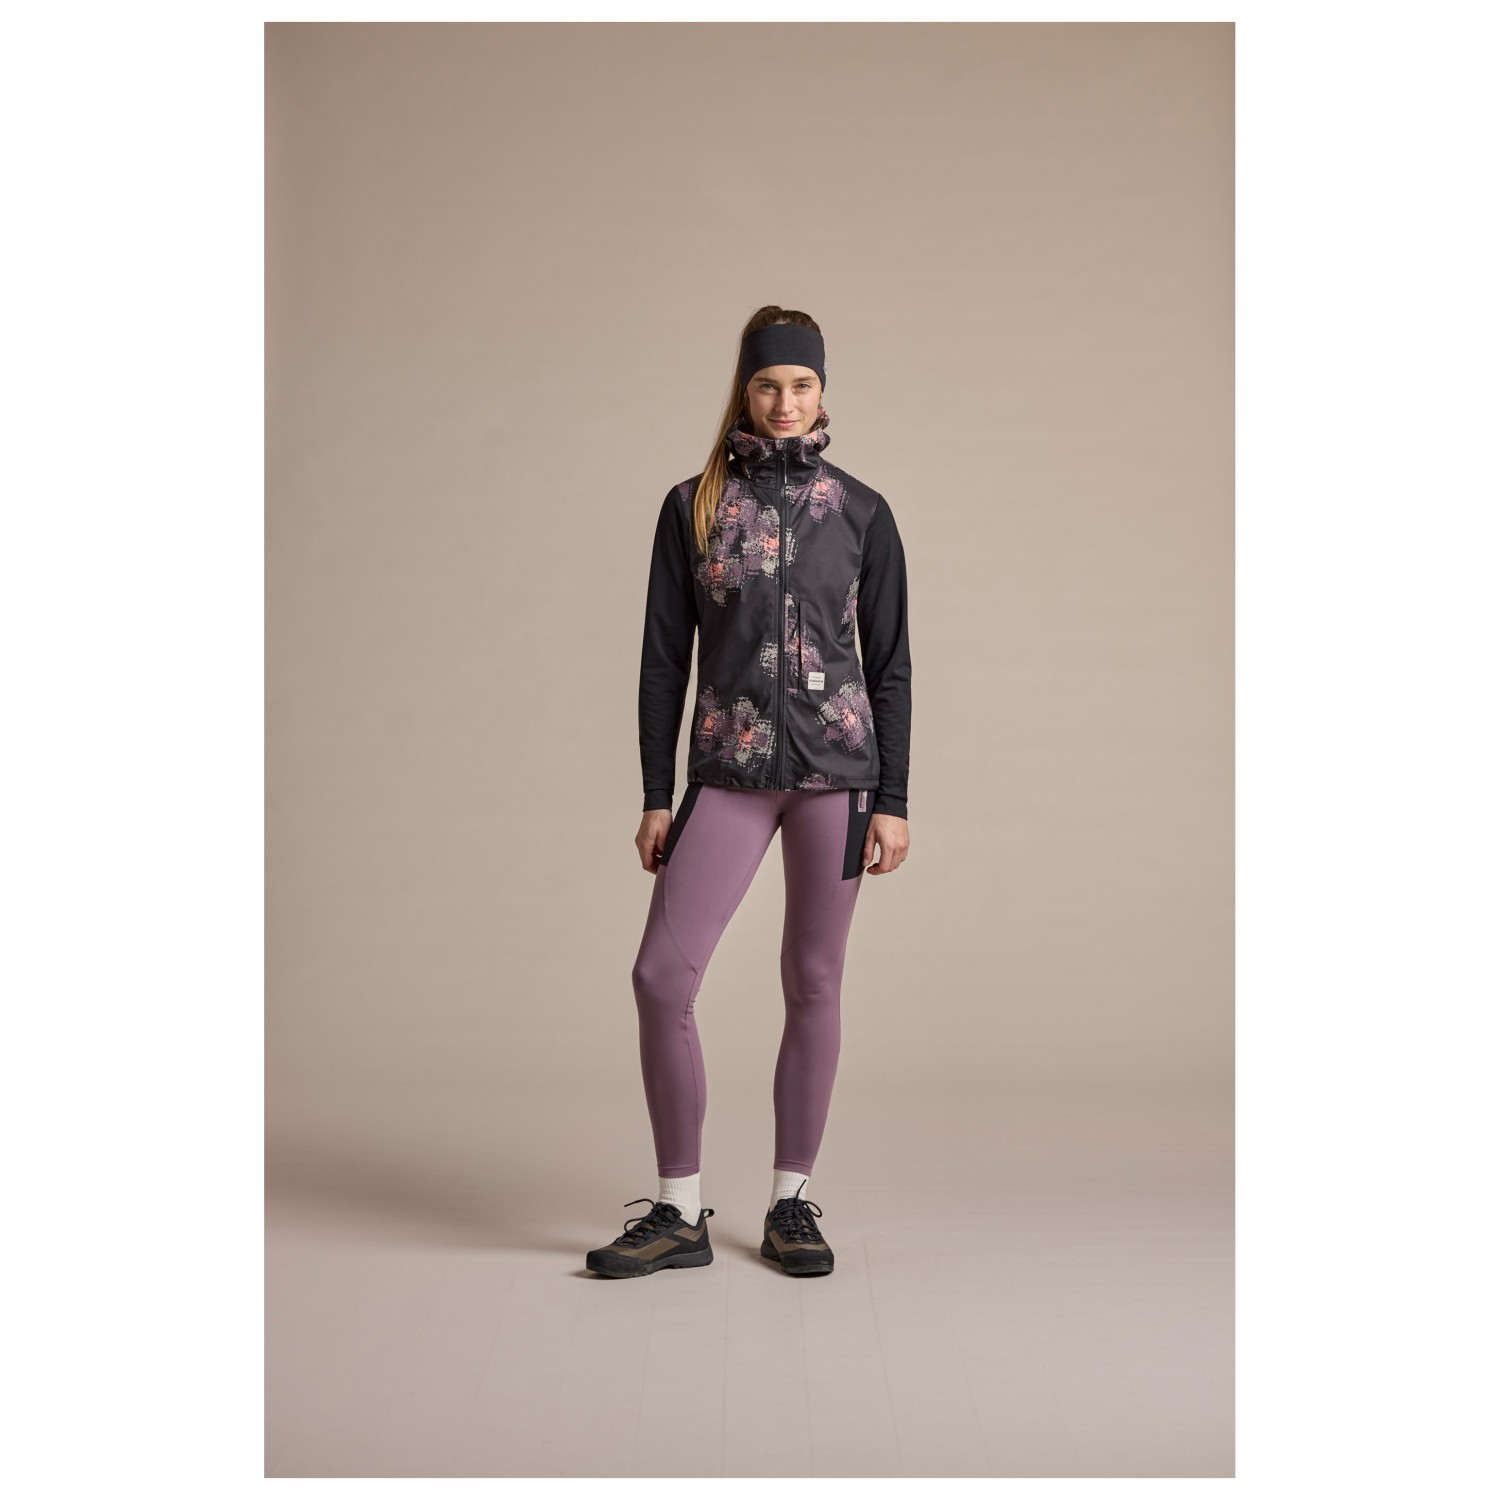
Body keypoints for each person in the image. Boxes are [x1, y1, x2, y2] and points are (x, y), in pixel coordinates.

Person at [585, 306, 912, 1280]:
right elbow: (662, 661)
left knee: (813, 982)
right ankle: (679, 1212)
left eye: (801, 385)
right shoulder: (693, 505)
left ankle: (791, 1203)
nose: (784, 401)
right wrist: (656, 793)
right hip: (727, 771)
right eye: (768, 384)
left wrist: (895, 798)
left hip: (836, 778)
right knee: (662, 979)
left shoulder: (861, 512)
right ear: (745, 390)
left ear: (823, 392)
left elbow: (890, 665)